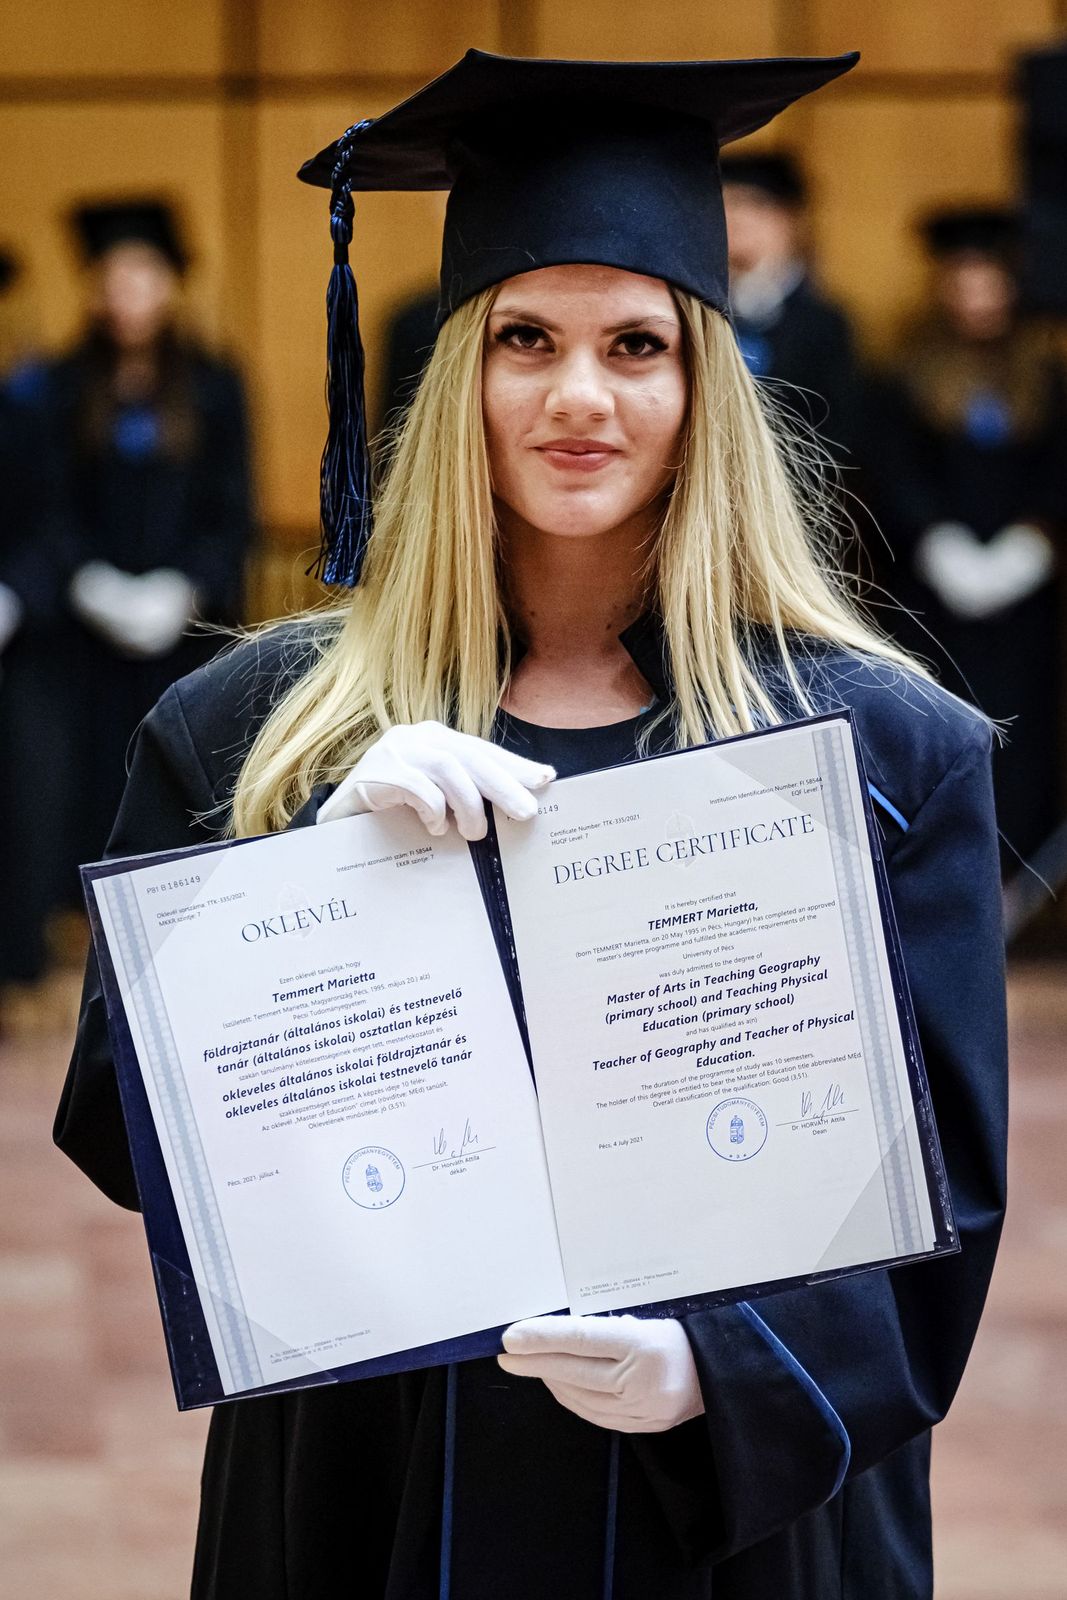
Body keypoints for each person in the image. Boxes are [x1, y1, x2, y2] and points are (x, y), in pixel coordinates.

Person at [54, 50, 1007, 1600]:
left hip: (733, 1530)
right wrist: (308, 887)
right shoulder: (252, 737)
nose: (578, 395)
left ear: (702, 385)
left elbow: (939, 1201)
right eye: (523, 339)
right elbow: (122, 1136)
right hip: (370, 1482)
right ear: (457, 377)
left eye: (636, 343)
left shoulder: (879, 756)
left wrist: (723, 1367)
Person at [1, 199, 254, 975]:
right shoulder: (55, 388)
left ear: (171, 282)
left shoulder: (215, 384)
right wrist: (85, 580)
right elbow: (44, 507)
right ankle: (81, 949)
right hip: (83, 641)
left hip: (183, 636)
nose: (126, 294)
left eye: (142, 275)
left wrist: (188, 587)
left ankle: (188, 942)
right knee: (77, 787)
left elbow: (232, 509)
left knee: (184, 782)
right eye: (111, 278)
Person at [867, 205, 1067, 868]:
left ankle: (1014, 885)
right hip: (934, 599)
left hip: (1024, 603)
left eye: (989, 282)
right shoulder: (904, 376)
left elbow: (1056, 470)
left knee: (1023, 740)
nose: (977, 298)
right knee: (940, 728)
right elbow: (893, 472)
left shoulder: (1044, 375)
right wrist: (938, 543)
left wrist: (1030, 546)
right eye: (963, 282)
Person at [721, 151, 859, 462]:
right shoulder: (696, 310)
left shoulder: (824, 324)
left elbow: (837, 435)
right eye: (725, 204)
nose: (737, 219)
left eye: (755, 205)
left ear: (791, 220)